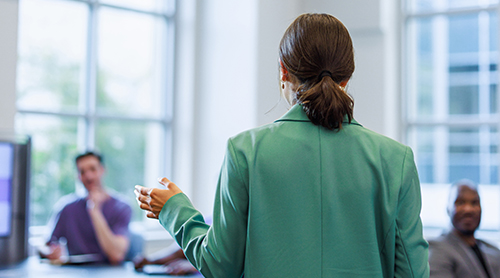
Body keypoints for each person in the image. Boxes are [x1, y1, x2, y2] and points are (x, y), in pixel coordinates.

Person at [135, 13, 429, 277]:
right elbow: (413, 273)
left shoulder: (245, 151)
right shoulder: (396, 159)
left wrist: (174, 210)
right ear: (348, 77)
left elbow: (220, 265)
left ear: (283, 71)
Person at [40, 151, 132, 265]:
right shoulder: (66, 208)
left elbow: (116, 255)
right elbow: (45, 246)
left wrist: (94, 211)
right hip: (75, 271)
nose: (88, 176)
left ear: (103, 170)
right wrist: (50, 252)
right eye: (82, 172)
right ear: (78, 176)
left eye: (93, 169)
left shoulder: (122, 207)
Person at [428, 179, 500, 277]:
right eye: (460, 203)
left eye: (474, 203)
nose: (468, 209)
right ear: (448, 209)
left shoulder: (493, 250)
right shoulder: (438, 249)